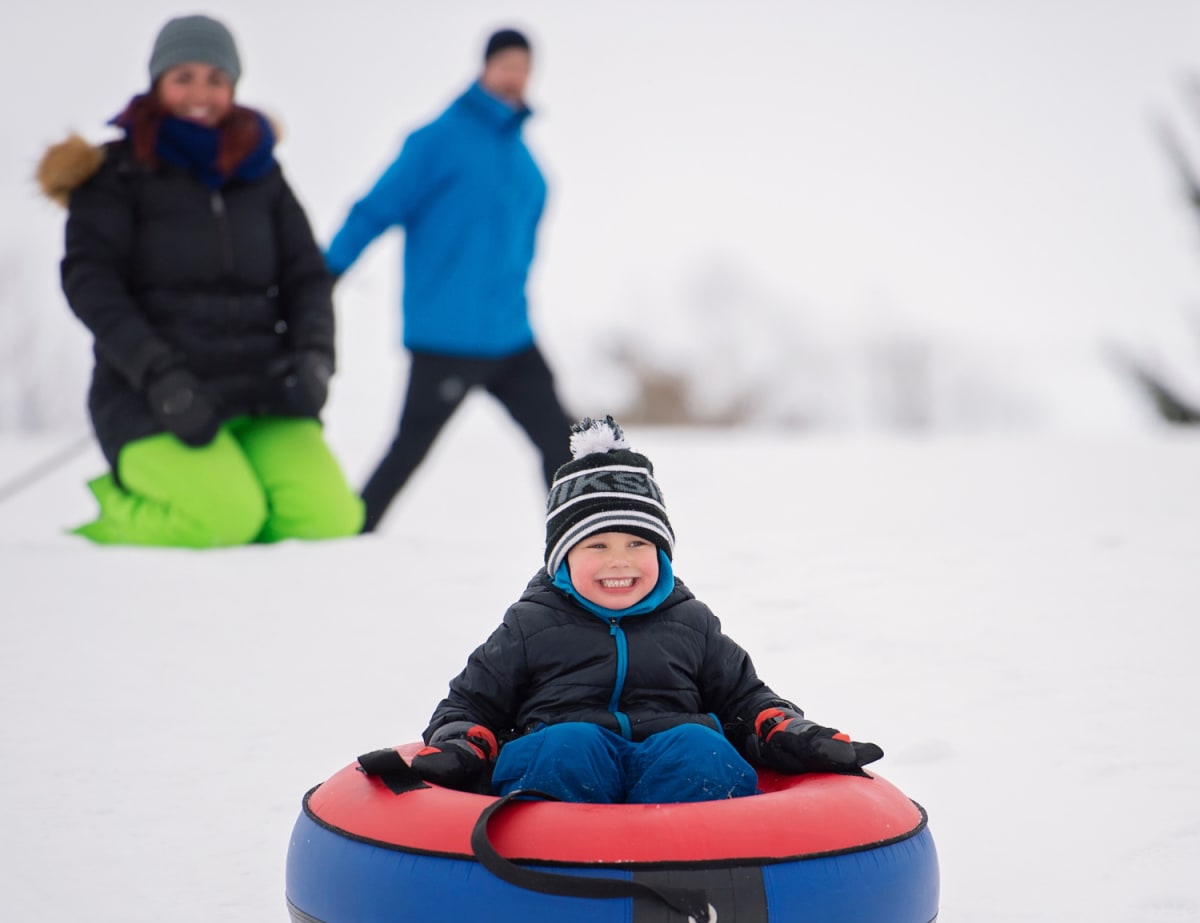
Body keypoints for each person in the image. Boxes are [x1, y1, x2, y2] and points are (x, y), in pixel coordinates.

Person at [408, 416, 883, 804]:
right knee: (571, 744)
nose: (620, 560)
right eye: (596, 544)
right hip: (564, 780)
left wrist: (793, 733)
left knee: (700, 748)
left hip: (674, 774)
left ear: (662, 554)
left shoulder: (691, 622)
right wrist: (461, 744)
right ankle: (549, 875)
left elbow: (747, 701)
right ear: (562, 559)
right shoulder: (531, 624)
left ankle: (704, 873)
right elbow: (470, 703)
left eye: (638, 542)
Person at [38, 14, 363, 547]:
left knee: (328, 519)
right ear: (157, 82)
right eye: (183, 77)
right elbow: (90, 281)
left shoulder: (260, 172)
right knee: (222, 520)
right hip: (154, 396)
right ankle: (110, 515)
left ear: (233, 87)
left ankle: (242, 497)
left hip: (263, 391)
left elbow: (306, 274)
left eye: (216, 79)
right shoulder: (115, 172)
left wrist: (315, 357)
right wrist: (159, 375)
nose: (200, 93)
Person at [324, 27, 572, 533]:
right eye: (505, 65)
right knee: (409, 449)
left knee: (562, 442)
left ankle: (579, 541)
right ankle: (349, 535)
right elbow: (375, 209)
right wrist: (324, 273)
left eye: (524, 68)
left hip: (511, 334)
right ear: (483, 68)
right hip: (446, 336)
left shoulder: (524, 160)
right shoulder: (438, 139)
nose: (514, 77)